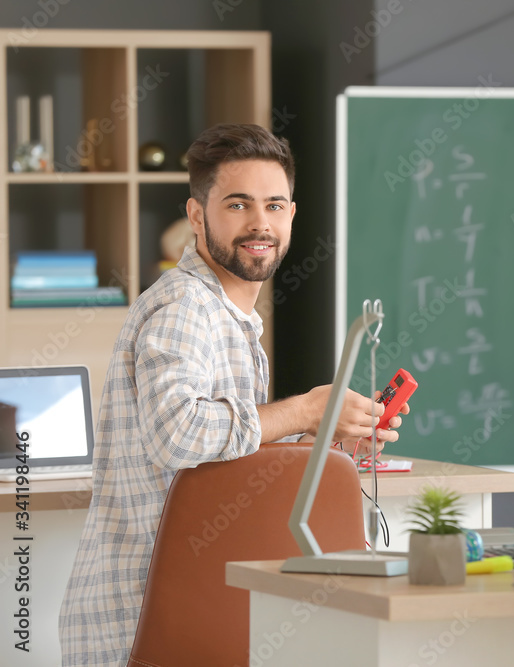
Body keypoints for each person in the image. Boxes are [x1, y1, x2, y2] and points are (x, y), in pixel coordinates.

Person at [58, 124, 406, 666]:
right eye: (238, 204)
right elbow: (179, 435)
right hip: (141, 624)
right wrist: (308, 407)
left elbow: (225, 461)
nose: (260, 223)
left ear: (292, 214)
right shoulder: (184, 308)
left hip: (194, 616)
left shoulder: (230, 317)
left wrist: (326, 445)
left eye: (274, 205)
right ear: (196, 215)